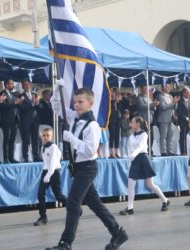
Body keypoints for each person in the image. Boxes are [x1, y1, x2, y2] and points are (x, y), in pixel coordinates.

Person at [46, 82, 128, 250]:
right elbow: (56, 106)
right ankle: (117, 232)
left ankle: (66, 242)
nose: (76, 105)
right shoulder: (74, 118)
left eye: (80, 102)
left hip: (88, 167)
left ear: (91, 103)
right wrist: (57, 89)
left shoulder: (92, 125)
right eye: (75, 102)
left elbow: (91, 150)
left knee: (73, 202)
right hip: (78, 168)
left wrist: (72, 140)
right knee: (94, 204)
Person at [119, 116, 170, 215]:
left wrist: (134, 154)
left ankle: (165, 200)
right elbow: (130, 149)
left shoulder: (144, 134)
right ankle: (130, 208)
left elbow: (141, 146)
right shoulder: (131, 136)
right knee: (130, 184)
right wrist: (130, 160)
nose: (130, 123)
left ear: (138, 123)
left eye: (132, 122)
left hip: (143, 158)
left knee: (150, 184)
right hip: (135, 160)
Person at [34, 127, 67, 226]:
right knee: (40, 194)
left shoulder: (54, 147)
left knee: (59, 196)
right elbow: (46, 162)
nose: (45, 137)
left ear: (52, 136)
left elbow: (53, 163)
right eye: (44, 135)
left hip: (53, 173)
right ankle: (43, 217)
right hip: (45, 172)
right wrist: (45, 173)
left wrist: (49, 175)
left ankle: (75, 207)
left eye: (48, 135)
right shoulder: (43, 147)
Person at [0, 79, 21, 164]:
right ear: (6, 85)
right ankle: (6, 158)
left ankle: (11, 157)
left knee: (12, 139)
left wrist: (19, 103)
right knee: (6, 139)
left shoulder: (13, 94)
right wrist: (15, 103)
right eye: (11, 84)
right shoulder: (2, 93)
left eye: (13, 84)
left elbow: (17, 105)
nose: (13, 85)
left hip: (14, 120)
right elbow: (2, 106)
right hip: (6, 120)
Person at [18, 80, 42, 162]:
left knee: (35, 139)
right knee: (26, 139)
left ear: (31, 85)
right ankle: (25, 157)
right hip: (25, 121)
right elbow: (21, 108)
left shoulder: (34, 95)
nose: (27, 86)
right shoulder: (20, 96)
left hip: (35, 120)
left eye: (28, 84)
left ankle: (36, 156)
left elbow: (40, 107)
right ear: (22, 86)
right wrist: (32, 104)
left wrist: (38, 103)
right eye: (24, 85)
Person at [156, 84, 180, 156]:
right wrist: (173, 102)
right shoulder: (160, 96)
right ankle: (163, 151)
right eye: (167, 87)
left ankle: (170, 151)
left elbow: (174, 108)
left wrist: (175, 103)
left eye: (169, 87)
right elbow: (163, 107)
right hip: (163, 118)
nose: (169, 88)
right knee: (163, 136)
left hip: (170, 118)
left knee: (170, 135)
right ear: (162, 88)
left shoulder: (170, 96)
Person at [177, 87, 190, 155]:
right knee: (183, 137)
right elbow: (179, 112)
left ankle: (188, 150)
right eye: (188, 93)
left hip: (189, 122)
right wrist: (186, 118)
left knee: (188, 136)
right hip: (182, 122)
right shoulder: (180, 101)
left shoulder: (189, 101)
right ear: (184, 93)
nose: (189, 94)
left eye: (189, 93)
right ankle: (183, 151)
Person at [108, 88, 121, 158]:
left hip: (117, 121)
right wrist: (113, 101)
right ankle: (111, 152)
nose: (113, 94)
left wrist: (118, 102)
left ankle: (116, 152)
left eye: (114, 93)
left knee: (117, 136)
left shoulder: (118, 102)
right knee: (112, 136)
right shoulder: (109, 101)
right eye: (111, 91)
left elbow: (121, 110)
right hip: (111, 120)